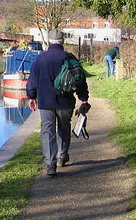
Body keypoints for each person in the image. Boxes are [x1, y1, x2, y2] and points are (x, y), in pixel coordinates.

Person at [26, 29, 90, 177]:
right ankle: (62, 155)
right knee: (64, 128)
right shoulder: (69, 57)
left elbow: (32, 81)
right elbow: (80, 79)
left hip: (46, 101)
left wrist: (32, 97)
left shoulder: (40, 59)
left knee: (47, 130)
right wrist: (83, 98)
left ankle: (50, 163)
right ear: (62, 41)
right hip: (66, 101)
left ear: (49, 41)